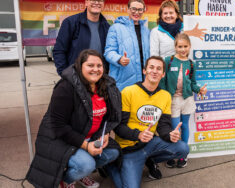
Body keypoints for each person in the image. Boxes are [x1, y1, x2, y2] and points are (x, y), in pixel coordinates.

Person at [26, 49, 122, 188]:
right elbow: (59, 127)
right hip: (62, 140)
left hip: (89, 136)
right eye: (90, 65)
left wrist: (105, 133)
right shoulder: (65, 87)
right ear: (80, 66)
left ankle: (80, 174)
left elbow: (110, 116)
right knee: (86, 164)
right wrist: (86, 146)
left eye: (99, 65)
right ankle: (67, 179)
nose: (95, 69)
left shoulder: (106, 85)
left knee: (113, 153)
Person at [106, 56, 189, 188]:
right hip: (129, 148)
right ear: (144, 71)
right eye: (151, 67)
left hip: (150, 143)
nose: (154, 71)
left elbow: (163, 126)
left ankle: (150, 160)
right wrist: (138, 135)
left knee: (183, 148)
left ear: (163, 74)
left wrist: (170, 135)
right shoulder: (129, 92)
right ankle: (111, 166)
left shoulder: (165, 96)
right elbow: (118, 127)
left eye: (158, 69)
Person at [159, 33, 207, 168]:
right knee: (174, 128)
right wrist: (165, 97)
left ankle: (182, 155)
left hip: (187, 99)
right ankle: (171, 154)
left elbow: (193, 83)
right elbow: (163, 81)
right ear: (175, 47)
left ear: (190, 47)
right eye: (180, 46)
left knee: (185, 126)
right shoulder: (168, 60)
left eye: (185, 46)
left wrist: (199, 90)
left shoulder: (191, 64)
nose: (183, 49)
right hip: (172, 100)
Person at [53, 0, 110, 75]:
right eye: (93, 0)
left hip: (99, 78)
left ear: (103, 4)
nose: (96, 3)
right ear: (86, 2)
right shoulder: (70, 23)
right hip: (76, 78)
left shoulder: (107, 27)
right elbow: (59, 50)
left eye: (100, 0)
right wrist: (65, 74)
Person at [104, 0, 150, 91]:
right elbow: (108, 52)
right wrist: (119, 59)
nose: (136, 12)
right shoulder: (115, 28)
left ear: (143, 11)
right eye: (134, 9)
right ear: (128, 9)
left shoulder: (146, 30)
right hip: (123, 81)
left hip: (144, 80)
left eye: (140, 9)